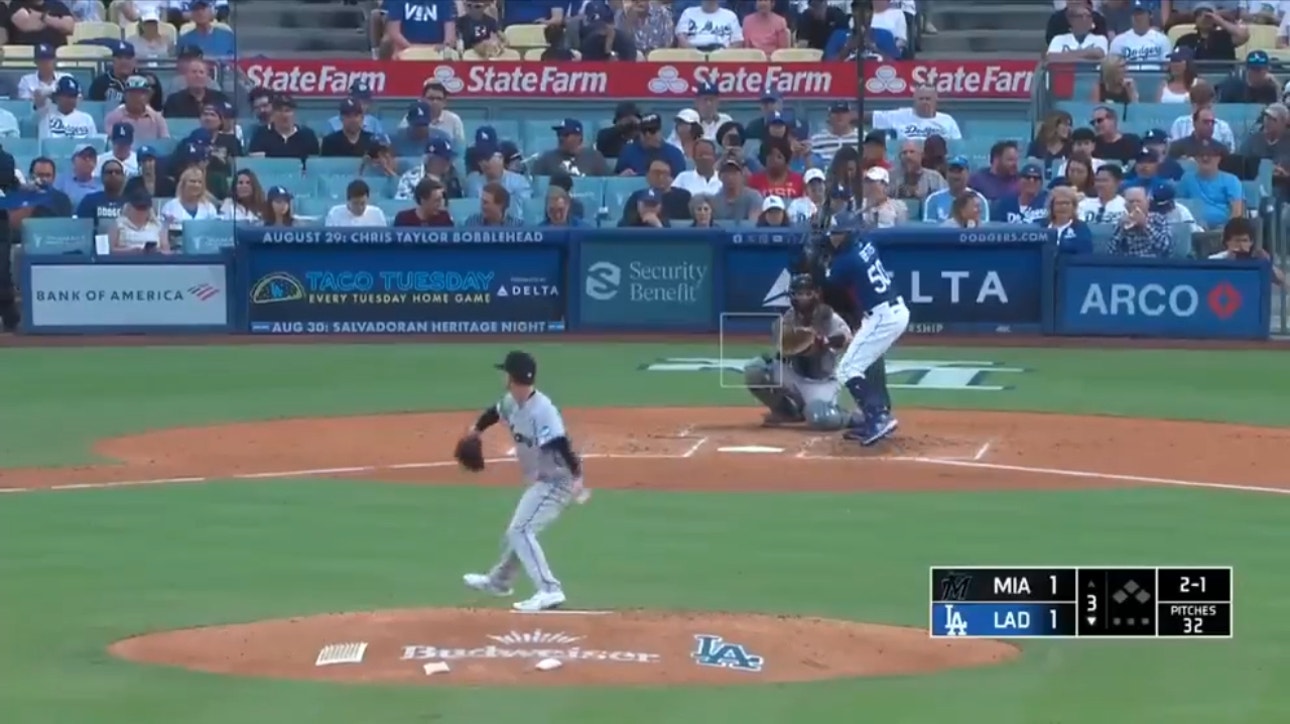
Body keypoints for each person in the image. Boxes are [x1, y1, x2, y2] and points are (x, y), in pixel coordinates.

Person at [1176, 140, 1244, 229]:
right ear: (1195, 158)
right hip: (1194, 229)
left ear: (1219, 158)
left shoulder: (1231, 180)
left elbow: (1237, 212)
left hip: (1222, 230)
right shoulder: (1187, 179)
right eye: (1201, 155)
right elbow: (1179, 207)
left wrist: (1225, 229)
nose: (1205, 158)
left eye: (1210, 155)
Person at [1208, 217, 1286, 284]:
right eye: (1237, 241)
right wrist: (1228, 263)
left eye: (1244, 240)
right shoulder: (1214, 260)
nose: (1241, 245)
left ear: (1251, 242)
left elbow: (1283, 282)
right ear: (1226, 242)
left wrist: (1268, 264)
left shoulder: (1257, 262)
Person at [868, 85, 963, 140]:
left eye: (928, 99)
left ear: (935, 100)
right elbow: (871, 117)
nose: (924, 102)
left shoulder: (947, 120)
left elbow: (958, 145)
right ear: (914, 100)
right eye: (921, 99)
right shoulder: (900, 115)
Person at [619, 158, 691, 226]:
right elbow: (625, 224)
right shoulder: (637, 196)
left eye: (665, 173)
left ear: (671, 177)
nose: (660, 177)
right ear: (647, 176)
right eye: (656, 173)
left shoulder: (684, 197)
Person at [529, 118, 610, 178]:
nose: (561, 138)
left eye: (566, 135)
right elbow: (535, 187)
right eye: (559, 134)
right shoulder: (546, 159)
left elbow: (608, 185)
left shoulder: (594, 157)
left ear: (579, 137)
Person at [248, 95, 320, 160]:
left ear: (294, 112)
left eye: (287, 111)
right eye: (279, 111)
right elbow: (257, 166)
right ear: (273, 113)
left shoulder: (308, 136)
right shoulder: (260, 135)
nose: (284, 115)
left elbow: (313, 166)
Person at [615, 113, 686, 177]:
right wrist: (622, 177)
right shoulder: (628, 152)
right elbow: (614, 181)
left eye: (655, 131)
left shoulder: (674, 154)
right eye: (647, 132)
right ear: (641, 134)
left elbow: (681, 183)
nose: (652, 136)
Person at [1111, 185, 1174, 257]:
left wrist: (1145, 226)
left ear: (1147, 202)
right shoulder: (1121, 220)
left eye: (1138, 201)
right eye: (1131, 202)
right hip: (1128, 264)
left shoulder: (1159, 219)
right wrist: (1121, 230)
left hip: (1154, 264)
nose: (1135, 205)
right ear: (1125, 205)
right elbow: (1112, 251)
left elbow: (1166, 247)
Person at [1173, 1, 1247, 60]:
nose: (1204, 18)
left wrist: (1220, 21)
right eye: (1199, 14)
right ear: (1195, 19)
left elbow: (1243, 35)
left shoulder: (1224, 37)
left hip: (1223, 76)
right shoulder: (1185, 40)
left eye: (1208, 16)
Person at [923, 156, 990, 222]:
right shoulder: (933, 199)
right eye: (951, 170)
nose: (955, 176)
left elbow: (982, 229)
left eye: (959, 171)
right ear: (946, 174)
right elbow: (928, 229)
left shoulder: (979, 199)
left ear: (967, 174)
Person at [160, 166, 220, 238]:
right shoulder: (170, 206)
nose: (196, 185)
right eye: (192, 181)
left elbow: (215, 234)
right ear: (183, 184)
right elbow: (162, 233)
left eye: (199, 182)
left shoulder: (209, 208)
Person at [104, 75, 170, 141]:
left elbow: (164, 143)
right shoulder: (113, 118)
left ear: (148, 96)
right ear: (125, 96)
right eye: (132, 94)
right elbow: (111, 145)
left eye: (141, 93)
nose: (136, 98)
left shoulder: (157, 119)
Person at [161, 57, 229, 118]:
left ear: (207, 77)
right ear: (186, 77)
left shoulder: (220, 99)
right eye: (194, 72)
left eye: (201, 72)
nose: (198, 75)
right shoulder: (173, 101)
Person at [1109, 3, 1172, 67]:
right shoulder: (1119, 41)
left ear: (1150, 15)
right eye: (1135, 14)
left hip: (1155, 76)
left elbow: (1166, 67)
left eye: (1141, 13)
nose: (1138, 17)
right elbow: (1113, 69)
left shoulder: (1162, 39)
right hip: (1127, 76)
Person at [75, 159, 128, 233]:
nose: (113, 175)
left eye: (117, 172)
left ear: (123, 176)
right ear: (102, 177)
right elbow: (81, 230)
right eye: (109, 172)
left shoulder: (132, 202)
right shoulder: (89, 201)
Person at [675, 0, 742, 51]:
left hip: (722, 59)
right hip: (692, 59)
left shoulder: (730, 16)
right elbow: (681, 38)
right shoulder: (688, 13)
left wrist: (721, 55)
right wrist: (695, 54)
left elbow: (737, 42)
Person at [1044, 185, 1094, 254]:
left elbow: (1085, 252)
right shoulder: (1042, 225)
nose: (1063, 207)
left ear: (1074, 207)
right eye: (1059, 203)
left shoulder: (1080, 227)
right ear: (1051, 206)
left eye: (1067, 203)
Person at [711, 157, 763, 222]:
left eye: (734, 173)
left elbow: (752, 224)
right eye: (727, 173)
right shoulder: (716, 201)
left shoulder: (754, 197)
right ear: (720, 177)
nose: (730, 177)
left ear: (742, 175)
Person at [7, 0, 75, 47]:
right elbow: (23, 23)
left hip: (55, 57)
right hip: (27, 57)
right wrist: (56, 22)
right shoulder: (16, 5)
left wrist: (44, 17)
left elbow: (68, 27)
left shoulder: (57, 5)